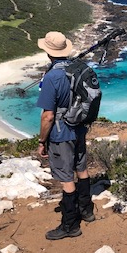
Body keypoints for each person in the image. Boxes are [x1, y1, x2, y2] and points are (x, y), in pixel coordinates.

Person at [36, 31, 95, 240]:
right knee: (82, 168)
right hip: (79, 126)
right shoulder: (76, 68)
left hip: (62, 133)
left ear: (48, 52)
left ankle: (70, 225)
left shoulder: (52, 77)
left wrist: (42, 140)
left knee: (66, 178)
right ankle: (87, 210)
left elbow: (48, 116)